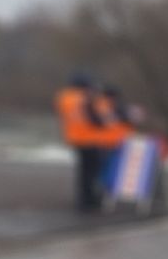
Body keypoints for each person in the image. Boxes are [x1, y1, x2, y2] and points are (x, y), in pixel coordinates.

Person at [54, 73, 129, 211]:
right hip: (92, 138)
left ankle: (84, 200)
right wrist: (107, 122)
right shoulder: (85, 98)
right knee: (92, 172)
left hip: (75, 137)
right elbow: (96, 119)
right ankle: (90, 201)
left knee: (84, 171)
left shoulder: (65, 97)